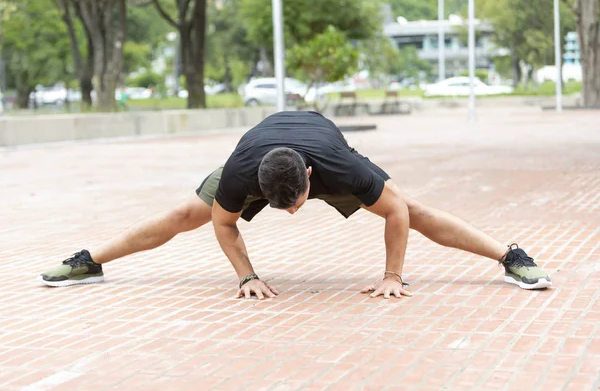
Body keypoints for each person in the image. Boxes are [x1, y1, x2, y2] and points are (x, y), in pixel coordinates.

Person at [38, 111, 552, 298]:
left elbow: (394, 213)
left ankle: (511, 257)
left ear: (310, 181)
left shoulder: (341, 168)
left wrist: (394, 275)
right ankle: (91, 263)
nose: (290, 214)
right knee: (183, 215)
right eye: (278, 207)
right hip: (261, 151)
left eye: (297, 203)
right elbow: (223, 225)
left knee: (413, 210)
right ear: (260, 188)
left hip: (321, 142)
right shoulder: (241, 175)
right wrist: (246, 276)